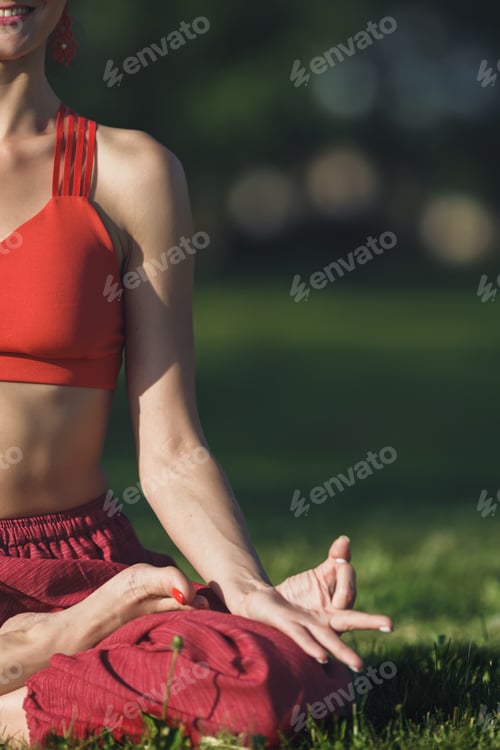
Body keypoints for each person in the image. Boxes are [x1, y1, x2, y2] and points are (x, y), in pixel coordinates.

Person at [0, 2, 393, 747]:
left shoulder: (129, 173)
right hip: (88, 606)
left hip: (75, 564)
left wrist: (245, 589)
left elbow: (172, 445)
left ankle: (38, 675)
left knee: (277, 676)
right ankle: (68, 647)